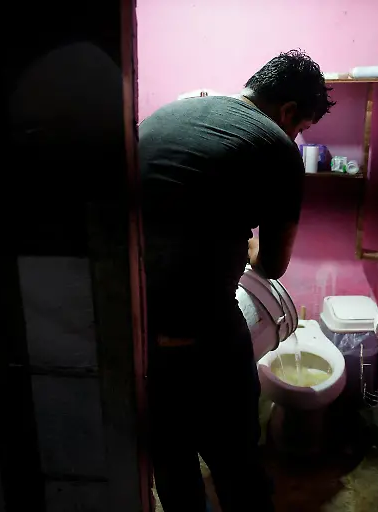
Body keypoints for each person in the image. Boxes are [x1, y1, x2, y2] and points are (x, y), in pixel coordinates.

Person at [138, 50, 335, 511]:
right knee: (239, 467)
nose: (296, 135)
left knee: (172, 465)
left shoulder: (162, 116)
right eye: (301, 127)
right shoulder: (277, 146)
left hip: (139, 332)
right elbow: (272, 265)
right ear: (288, 112)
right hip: (208, 339)